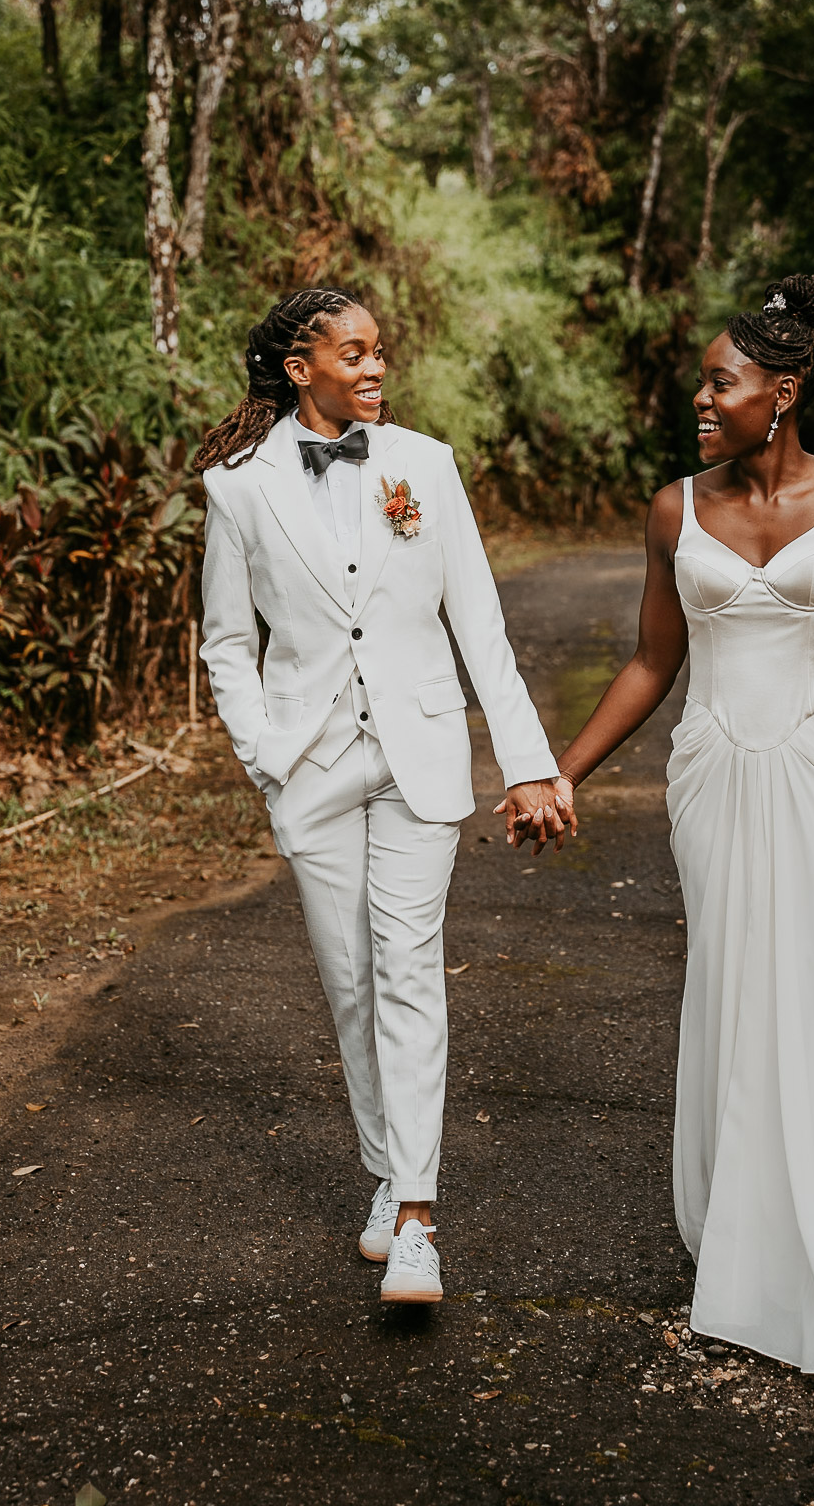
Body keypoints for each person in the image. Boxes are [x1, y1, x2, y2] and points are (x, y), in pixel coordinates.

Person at [542, 275, 814, 1393]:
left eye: (719, 382)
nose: (700, 397)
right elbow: (650, 662)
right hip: (718, 777)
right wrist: (560, 769)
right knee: (739, 1007)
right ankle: (750, 1271)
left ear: (780, 391)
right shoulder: (675, 509)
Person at [195, 287, 571, 1306]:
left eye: (379, 354)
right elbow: (228, 642)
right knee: (351, 981)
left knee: (407, 969)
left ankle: (415, 1214)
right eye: (351, 355)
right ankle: (386, 1173)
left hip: (422, 756)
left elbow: (480, 626)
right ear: (296, 367)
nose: (373, 370)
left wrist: (526, 760)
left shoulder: (426, 467)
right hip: (310, 765)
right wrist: (265, 751)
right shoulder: (237, 488)